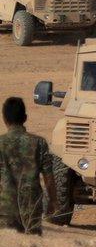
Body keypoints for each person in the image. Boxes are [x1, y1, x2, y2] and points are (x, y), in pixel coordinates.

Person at [0, 97, 56, 235]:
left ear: (4, 119)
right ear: (25, 118)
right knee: (33, 245)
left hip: (5, 207)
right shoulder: (39, 143)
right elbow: (49, 177)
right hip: (32, 207)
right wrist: (53, 202)